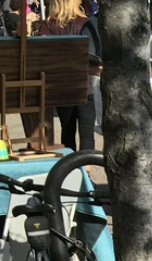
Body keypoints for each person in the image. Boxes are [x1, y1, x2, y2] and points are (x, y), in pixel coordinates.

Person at [35, 0, 100, 151]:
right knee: (87, 133)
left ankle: (70, 168)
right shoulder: (86, 23)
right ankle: (86, 171)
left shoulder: (47, 25)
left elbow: (41, 53)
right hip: (85, 84)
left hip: (61, 85)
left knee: (67, 131)